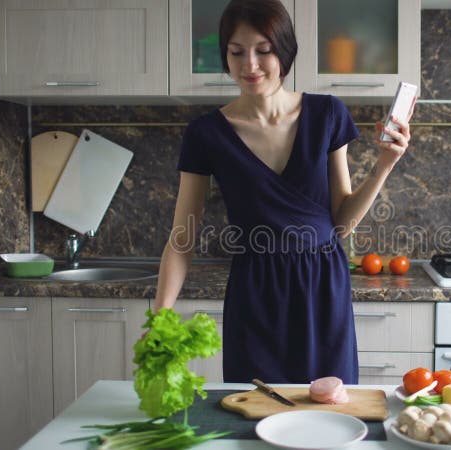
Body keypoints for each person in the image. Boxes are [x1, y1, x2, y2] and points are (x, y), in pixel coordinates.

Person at [153, 0, 414, 384]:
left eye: (263, 51)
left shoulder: (327, 114)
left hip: (323, 289)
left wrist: (384, 165)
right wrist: (161, 316)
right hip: (255, 291)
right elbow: (182, 239)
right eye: (236, 52)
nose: (250, 66)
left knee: (331, 414)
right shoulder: (205, 134)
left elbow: (341, 222)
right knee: (256, 414)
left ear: (285, 51)